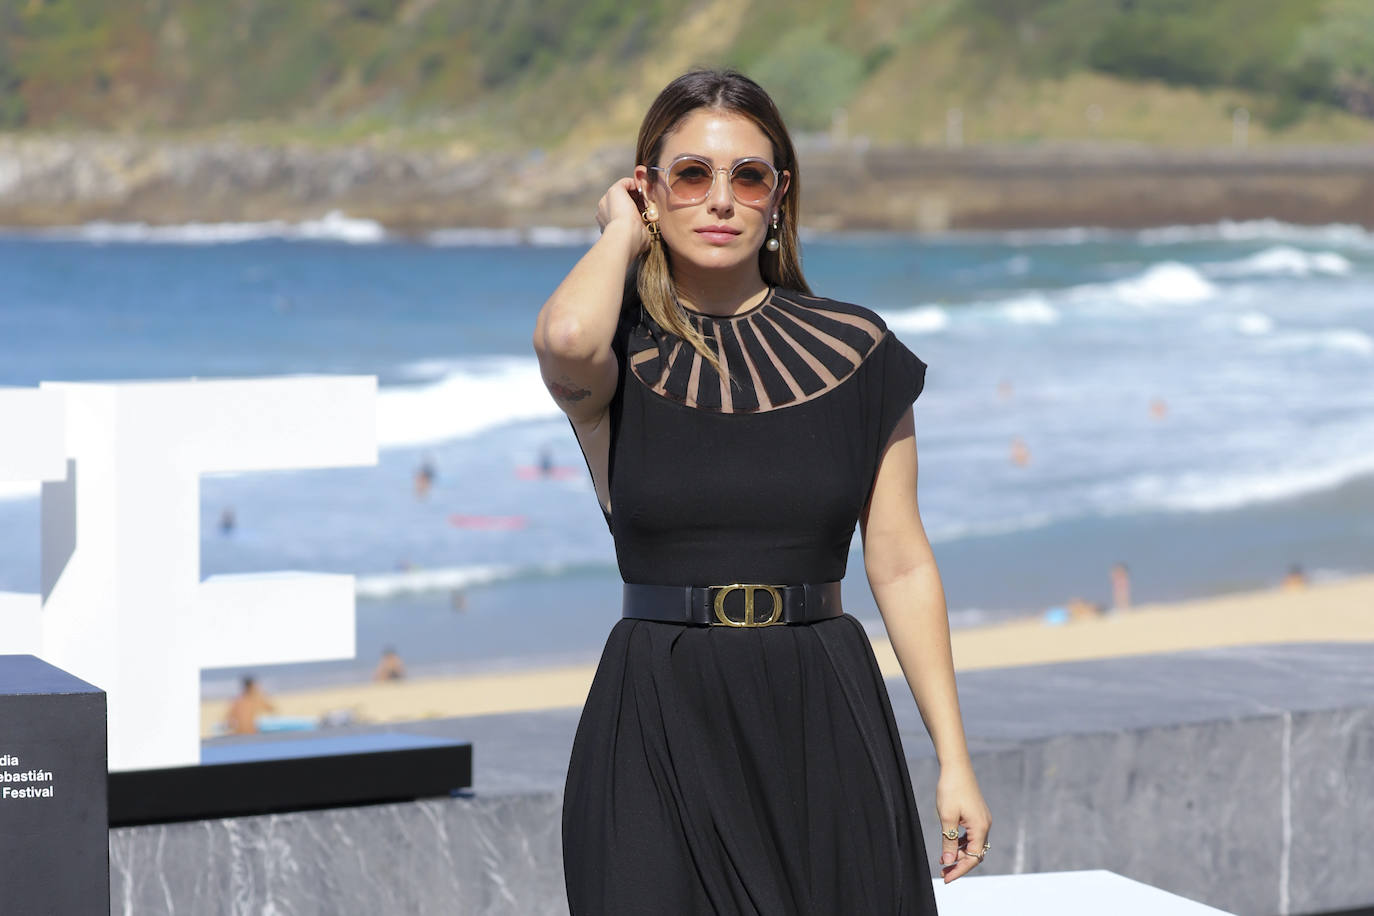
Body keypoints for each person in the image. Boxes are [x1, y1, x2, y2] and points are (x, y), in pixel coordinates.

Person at [534, 69, 990, 914]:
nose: (720, 200)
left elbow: (899, 562)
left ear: (779, 196)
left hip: (820, 705)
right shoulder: (614, 354)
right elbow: (563, 334)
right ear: (648, 191)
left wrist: (953, 759)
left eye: (748, 176)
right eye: (691, 175)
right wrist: (617, 236)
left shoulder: (857, 350)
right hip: (658, 713)